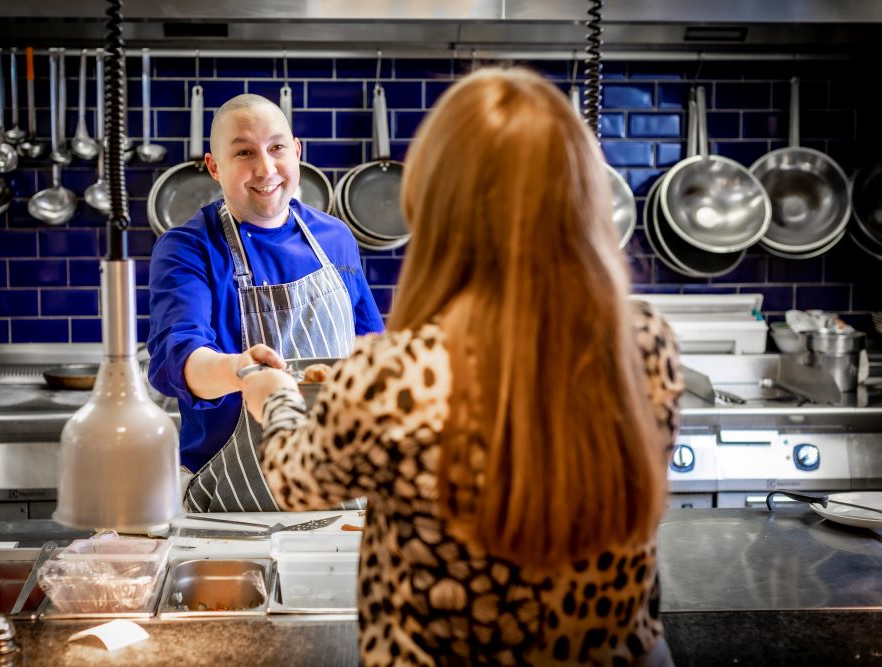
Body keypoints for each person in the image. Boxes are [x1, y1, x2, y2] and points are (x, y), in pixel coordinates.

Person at [240, 68, 684, 665]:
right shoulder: (646, 339)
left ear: (439, 203)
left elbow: (299, 482)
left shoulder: (397, 374)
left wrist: (275, 396)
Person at [147, 94, 384, 512]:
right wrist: (244, 372)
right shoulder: (187, 248)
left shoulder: (336, 238)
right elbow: (177, 360)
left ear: (296, 152)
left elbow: (369, 351)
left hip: (341, 493)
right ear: (214, 167)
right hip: (232, 503)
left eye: (276, 147)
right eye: (243, 152)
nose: (265, 168)